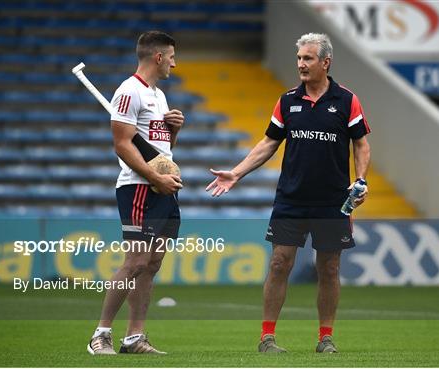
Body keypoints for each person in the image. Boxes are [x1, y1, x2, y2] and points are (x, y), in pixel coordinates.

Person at [206, 33, 371, 354]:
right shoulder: (287, 101)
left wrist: (360, 179)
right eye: (299, 59)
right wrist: (237, 172)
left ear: (326, 62)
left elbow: (360, 143)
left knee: (330, 268)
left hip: (333, 201)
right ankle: (267, 337)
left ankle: (326, 338)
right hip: (291, 199)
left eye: (308, 59)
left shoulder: (347, 100)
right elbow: (269, 142)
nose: (301, 64)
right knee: (280, 263)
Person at [87, 30, 184, 355]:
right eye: (171, 56)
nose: (174, 62)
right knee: (136, 261)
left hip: (161, 188)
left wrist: (173, 132)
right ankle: (100, 335)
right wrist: (154, 178)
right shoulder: (129, 92)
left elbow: (160, 151)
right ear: (158, 57)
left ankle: (134, 338)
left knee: (152, 263)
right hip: (139, 188)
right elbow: (122, 144)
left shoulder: (158, 95)